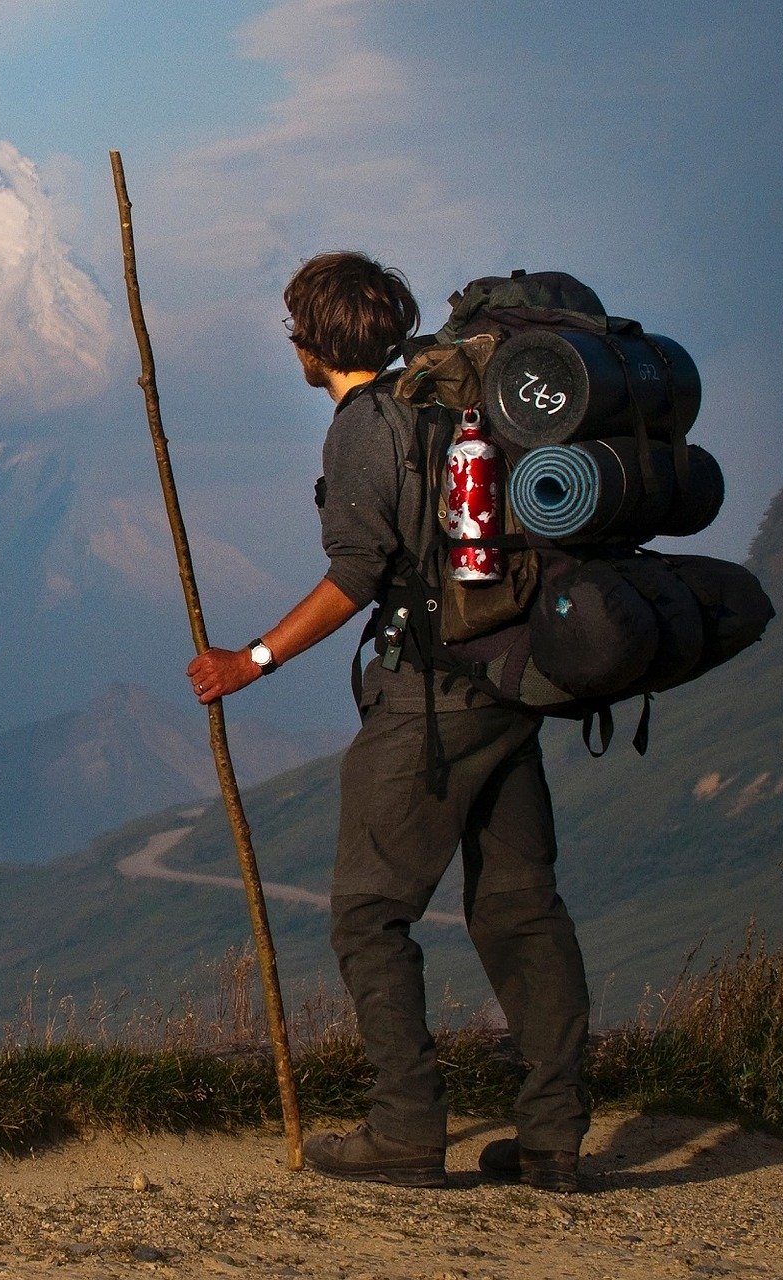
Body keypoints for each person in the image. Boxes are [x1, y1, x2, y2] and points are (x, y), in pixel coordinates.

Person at [185, 251, 589, 1193]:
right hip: (513, 680)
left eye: (295, 329)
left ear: (314, 343)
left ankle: (406, 1129)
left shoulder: (366, 427)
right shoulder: (453, 397)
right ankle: (553, 1140)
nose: (291, 343)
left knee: (369, 913)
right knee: (521, 911)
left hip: (431, 697)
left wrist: (250, 661)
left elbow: (355, 576)